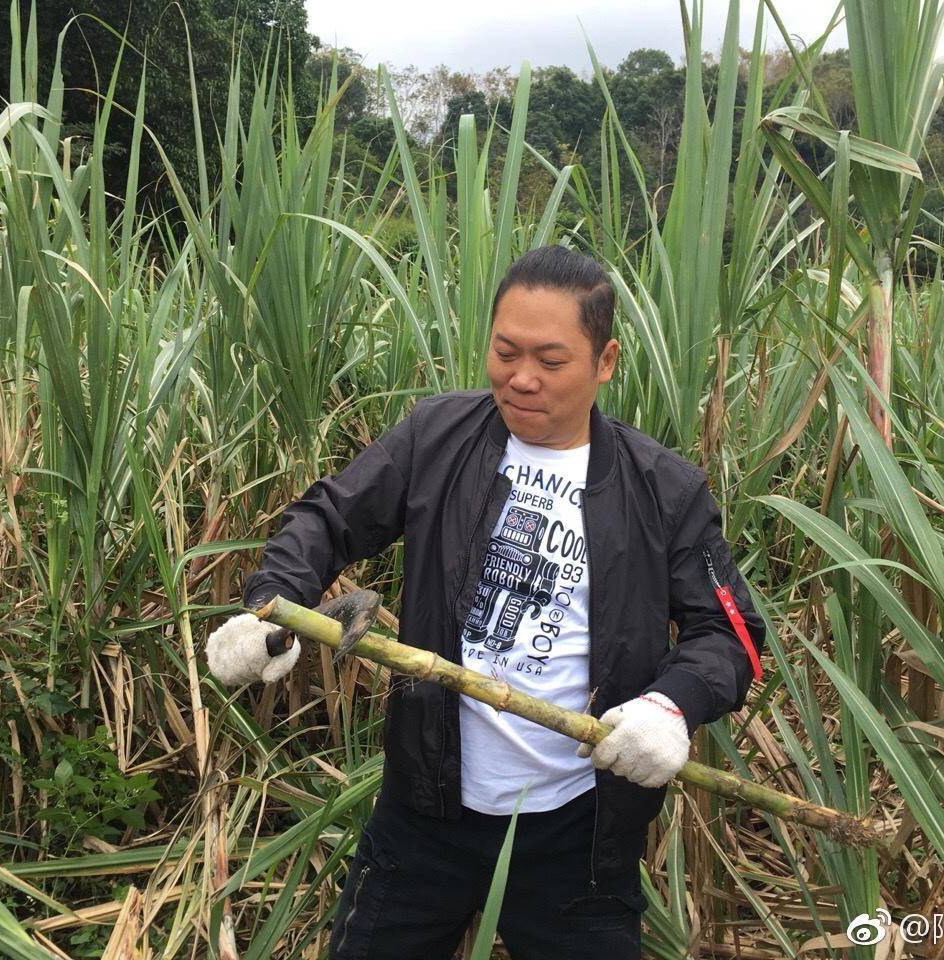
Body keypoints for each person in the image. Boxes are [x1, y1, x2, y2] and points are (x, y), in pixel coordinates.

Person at [206, 245, 766, 959]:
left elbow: (730, 632)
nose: (521, 378)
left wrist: (672, 706)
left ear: (605, 361)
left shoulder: (664, 489)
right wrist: (267, 606)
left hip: (580, 831)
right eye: (505, 352)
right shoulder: (437, 436)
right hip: (425, 809)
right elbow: (328, 517)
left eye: (551, 360)